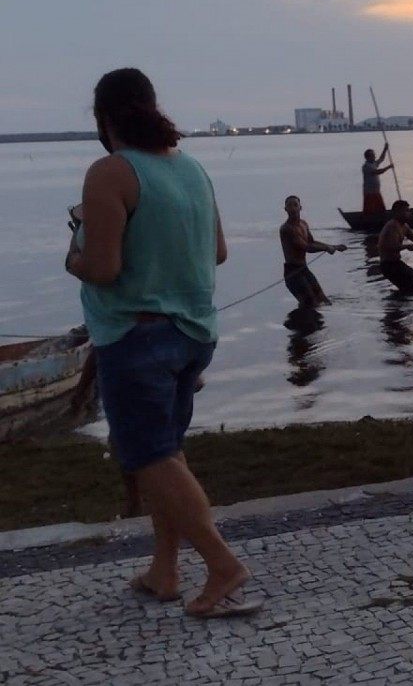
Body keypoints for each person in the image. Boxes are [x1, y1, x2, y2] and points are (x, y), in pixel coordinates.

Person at [65, 68, 257, 618]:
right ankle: (164, 570)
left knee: (148, 456)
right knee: (166, 455)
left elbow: (102, 267)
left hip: (136, 336)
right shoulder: (193, 169)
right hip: (194, 332)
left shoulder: (110, 172)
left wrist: (72, 253)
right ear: (151, 107)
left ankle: (222, 565)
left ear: (103, 120)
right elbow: (217, 251)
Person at [280, 196, 346, 306]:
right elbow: (306, 247)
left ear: (300, 208)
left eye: (295, 205)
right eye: (289, 205)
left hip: (304, 269)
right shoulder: (287, 229)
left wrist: (333, 246)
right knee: (310, 304)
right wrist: (327, 248)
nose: (292, 208)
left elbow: (311, 242)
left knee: (324, 301)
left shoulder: (303, 224)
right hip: (292, 272)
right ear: (285, 209)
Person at [361, 145, 393, 213]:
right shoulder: (366, 166)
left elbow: (381, 158)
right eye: (373, 155)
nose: (375, 157)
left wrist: (385, 149)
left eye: (374, 155)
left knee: (381, 209)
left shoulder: (373, 164)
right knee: (369, 211)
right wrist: (389, 167)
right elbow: (377, 172)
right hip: (369, 193)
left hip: (376, 192)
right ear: (368, 157)